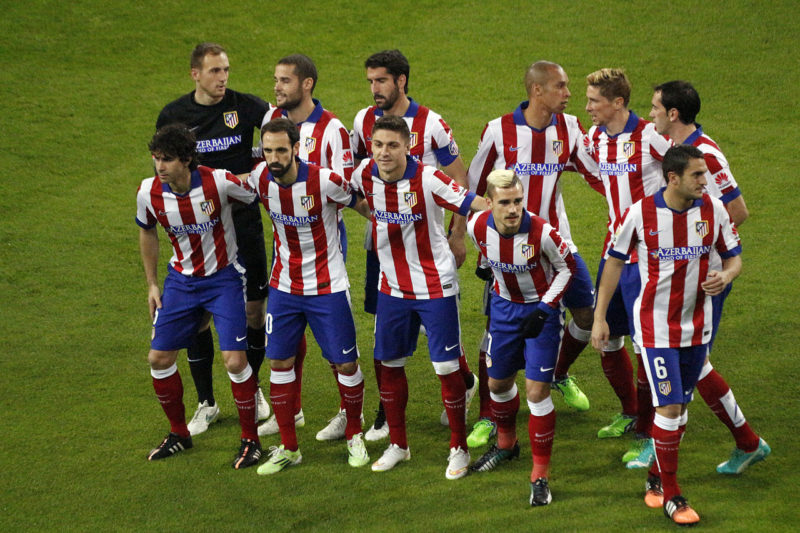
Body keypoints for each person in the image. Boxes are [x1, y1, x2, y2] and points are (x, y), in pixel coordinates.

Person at [621, 81, 769, 473]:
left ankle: (663, 448)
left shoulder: (706, 155)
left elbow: (736, 210)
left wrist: (707, 253)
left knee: (690, 362)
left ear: (673, 114)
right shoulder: (674, 148)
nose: (649, 113)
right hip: (688, 273)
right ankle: (747, 442)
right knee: (694, 362)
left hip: (707, 277)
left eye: (655, 107)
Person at [592, 144, 742, 526]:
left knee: (680, 409)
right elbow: (613, 261)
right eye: (696, 175)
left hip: (697, 326)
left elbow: (733, 256)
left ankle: (656, 475)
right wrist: (600, 317)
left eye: (704, 174)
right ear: (672, 177)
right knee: (670, 407)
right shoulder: (641, 214)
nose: (704, 181)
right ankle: (673, 495)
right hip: (656, 328)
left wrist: (725, 275)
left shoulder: (714, 210)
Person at [467, 60, 603, 447]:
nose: (569, 93)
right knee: (495, 331)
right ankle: (488, 418)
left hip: (558, 245)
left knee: (586, 313)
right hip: (507, 250)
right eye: (561, 86)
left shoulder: (570, 128)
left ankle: (555, 372)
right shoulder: (498, 131)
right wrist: (463, 236)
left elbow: (598, 175)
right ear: (537, 91)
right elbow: (473, 190)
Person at [350, 115, 488, 479]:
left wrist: (505, 213)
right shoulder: (364, 173)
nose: (384, 152)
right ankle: (399, 445)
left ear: (408, 146)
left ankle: (458, 447)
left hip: (435, 286)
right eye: (378, 145)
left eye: (392, 145)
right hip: (391, 287)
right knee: (388, 363)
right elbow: (345, 195)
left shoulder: (427, 178)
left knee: (445, 368)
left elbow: (472, 202)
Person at [352, 49, 477, 441]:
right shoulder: (362, 121)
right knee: (385, 333)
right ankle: (387, 413)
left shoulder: (432, 124)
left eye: (381, 81)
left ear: (401, 81)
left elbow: (461, 181)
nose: (374, 89)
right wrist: (376, 212)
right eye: (370, 81)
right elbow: (357, 179)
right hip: (386, 247)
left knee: (439, 333)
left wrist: (457, 236)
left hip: (429, 248)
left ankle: (465, 383)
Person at [156, 42, 272, 435]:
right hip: (199, 231)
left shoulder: (247, 106)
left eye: (225, 70)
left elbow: (282, 133)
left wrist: (260, 166)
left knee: (255, 311)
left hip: (244, 223)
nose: (222, 79)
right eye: (214, 71)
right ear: (195, 74)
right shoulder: (174, 115)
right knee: (196, 321)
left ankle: (251, 386)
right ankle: (206, 402)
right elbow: (164, 168)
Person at [247, 118, 371, 474]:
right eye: (268, 150)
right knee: (280, 364)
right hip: (284, 288)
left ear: (297, 149)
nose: (274, 157)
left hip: (328, 287)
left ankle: (354, 434)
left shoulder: (326, 181)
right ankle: (289, 447)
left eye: (281, 150)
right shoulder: (259, 179)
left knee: (346, 364)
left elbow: (362, 206)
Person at [137, 124, 262, 469]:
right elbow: (147, 231)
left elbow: (259, 192)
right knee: (159, 359)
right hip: (180, 282)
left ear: (187, 160)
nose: (159, 166)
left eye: (167, 160)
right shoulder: (149, 192)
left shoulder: (218, 182)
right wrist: (152, 283)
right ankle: (179, 434)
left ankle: (251, 439)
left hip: (223, 280)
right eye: (156, 159)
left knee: (235, 362)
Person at [255, 54, 359, 442]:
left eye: (284, 81)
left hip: (324, 238)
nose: (277, 87)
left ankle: (347, 415)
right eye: (276, 80)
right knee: (288, 327)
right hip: (285, 237)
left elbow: (346, 188)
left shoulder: (332, 129)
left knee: (331, 329)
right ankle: (292, 411)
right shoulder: (271, 122)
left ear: (307, 84)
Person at [467, 170, 576, 507]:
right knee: (498, 385)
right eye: (505, 202)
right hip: (503, 311)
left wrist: (544, 309)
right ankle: (506, 444)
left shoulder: (543, 232)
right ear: (489, 203)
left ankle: (540, 474)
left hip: (540, 313)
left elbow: (568, 269)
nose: (513, 209)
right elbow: (486, 256)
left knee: (536, 391)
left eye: (517, 200)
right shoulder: (476, 227)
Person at [583, 68, 672, 458]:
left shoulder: (651, 137)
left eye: (594, 101)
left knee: (646, 346)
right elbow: (596, 177)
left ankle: (654, 434)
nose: (587, 108)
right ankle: (630, 412)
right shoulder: (595, 138)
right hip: (614, 251)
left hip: (649, 258)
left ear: (618, 103)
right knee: (607, 337)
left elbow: (687, 172)